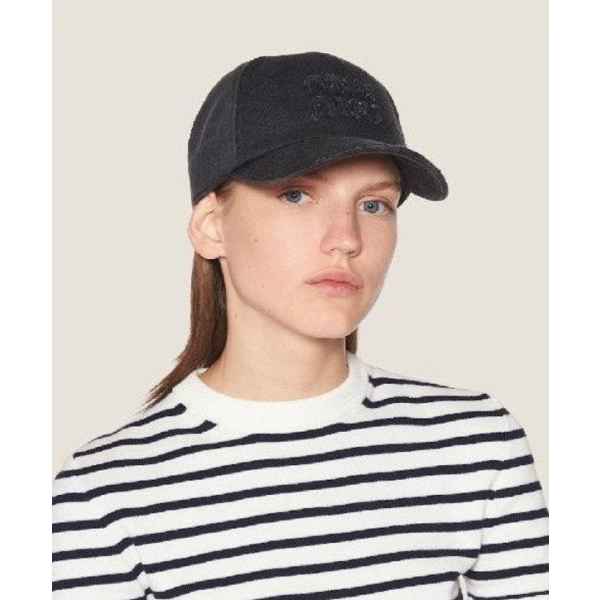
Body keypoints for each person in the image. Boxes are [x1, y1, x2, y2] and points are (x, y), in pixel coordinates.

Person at [52, 51, 549, 599]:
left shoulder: (475, 445)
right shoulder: (104, 495)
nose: (346, 239)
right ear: (211, 226)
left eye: (375, 205)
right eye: (296, 195)